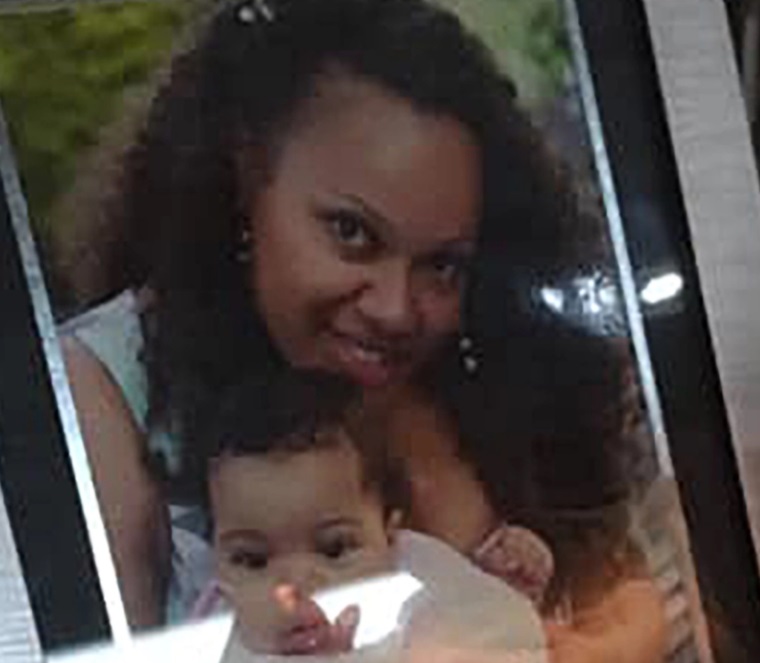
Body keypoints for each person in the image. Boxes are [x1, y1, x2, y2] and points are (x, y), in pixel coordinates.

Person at [59, 0, 667, 660]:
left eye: (442, 264)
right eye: (352, 234)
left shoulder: (493, 361)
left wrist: (630, 632)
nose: (396, 309)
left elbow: (633, 586)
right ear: (245, 179)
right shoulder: (101, 393)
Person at [191, 369, 546, 659]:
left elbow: (500, 636)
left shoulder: (422, 597)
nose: (295, 585)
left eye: (334, 549)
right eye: (253, 560)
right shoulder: (214, 640)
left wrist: (502, 587)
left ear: (388, 535)